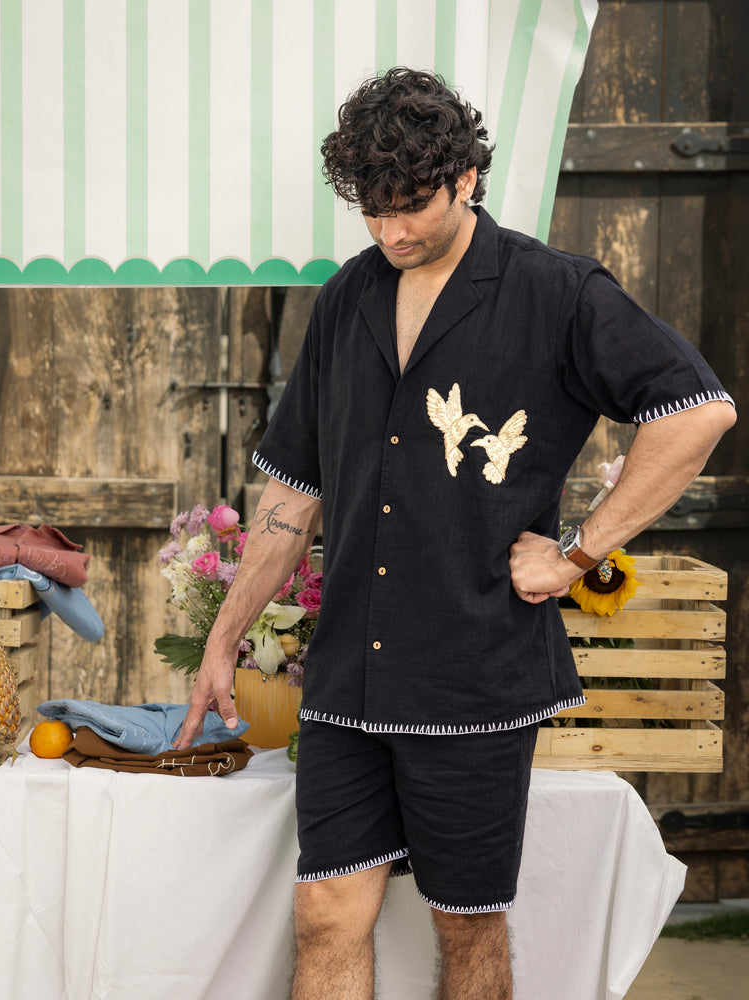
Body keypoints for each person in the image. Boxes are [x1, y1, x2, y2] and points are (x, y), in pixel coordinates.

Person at [175, 68, 736, 999]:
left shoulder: (557, 293)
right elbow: (290, 488)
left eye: (412, 206)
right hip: (349, 672)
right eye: (372, 211)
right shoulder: (347, 299)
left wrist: (579, 552)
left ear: (468, 177)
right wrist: (223, 636)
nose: (393, 231)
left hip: (474, 673)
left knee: (467, 924)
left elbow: (697, 410)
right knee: (324, 913)